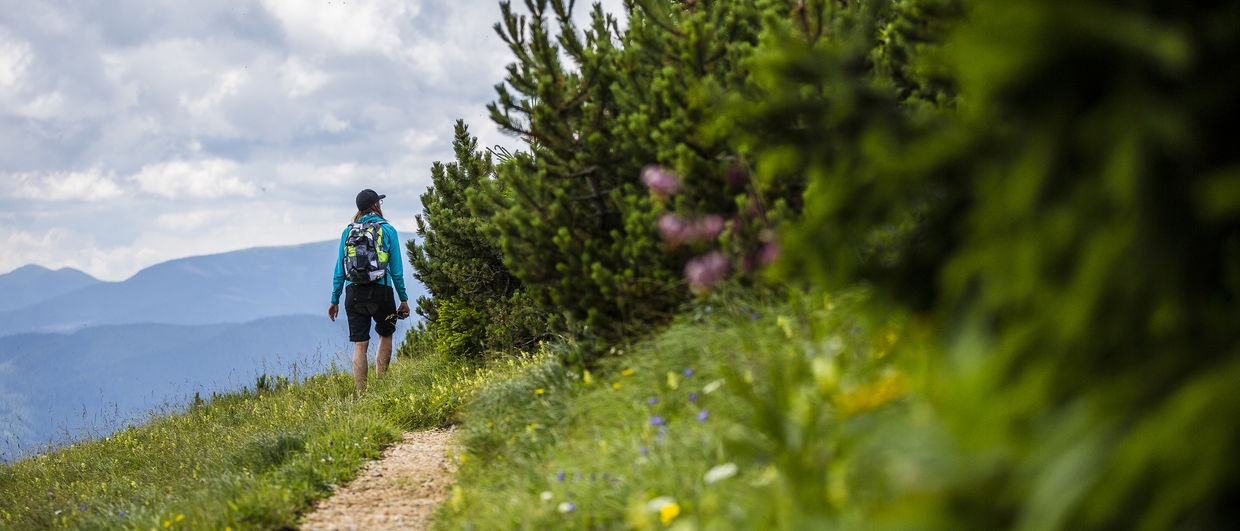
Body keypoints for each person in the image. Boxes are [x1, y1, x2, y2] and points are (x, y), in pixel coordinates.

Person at [328, 189, 410, 392]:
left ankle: (361, 394)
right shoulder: (388, 230)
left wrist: (334, 299)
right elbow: (397, 271)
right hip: (382, 291)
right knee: (385, 335)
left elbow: (340, 269)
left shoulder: (348, 232)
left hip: (354, 292)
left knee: (360, 344)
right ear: (376, 205)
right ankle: (381, 386)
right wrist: (404, 299)